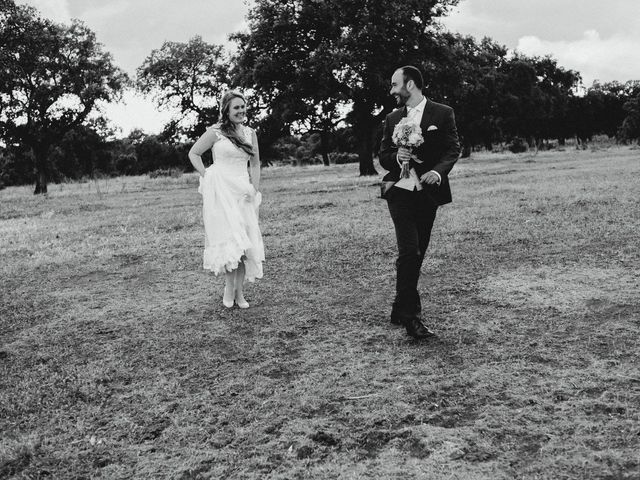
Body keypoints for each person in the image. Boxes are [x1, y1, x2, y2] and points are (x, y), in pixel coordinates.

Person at [378, 66, 460, 338]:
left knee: (418, 253)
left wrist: (438, 171)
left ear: (409, 85)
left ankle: (400, 305)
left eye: (394, 84)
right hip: (399, 191)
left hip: (427, 191)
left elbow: (452, 148)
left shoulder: (442, 113)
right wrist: (397, 156)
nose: (391, 91)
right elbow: (383, 156)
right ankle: (412, 319)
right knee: (409, 251)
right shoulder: (391, 118)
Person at [188, 90, 264, 309]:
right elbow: (194, 153)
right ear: (226, 111)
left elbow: (256, 164)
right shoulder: (216, 132)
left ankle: (239, 293)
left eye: (243, 106)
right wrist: (208, 177)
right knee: (231, 242)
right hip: (222, 192)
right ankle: (229, 289)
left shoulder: (250, 133)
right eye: (236, 108)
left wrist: (254, 189)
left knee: (243, 244)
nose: (240, 111)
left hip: (243, 193)